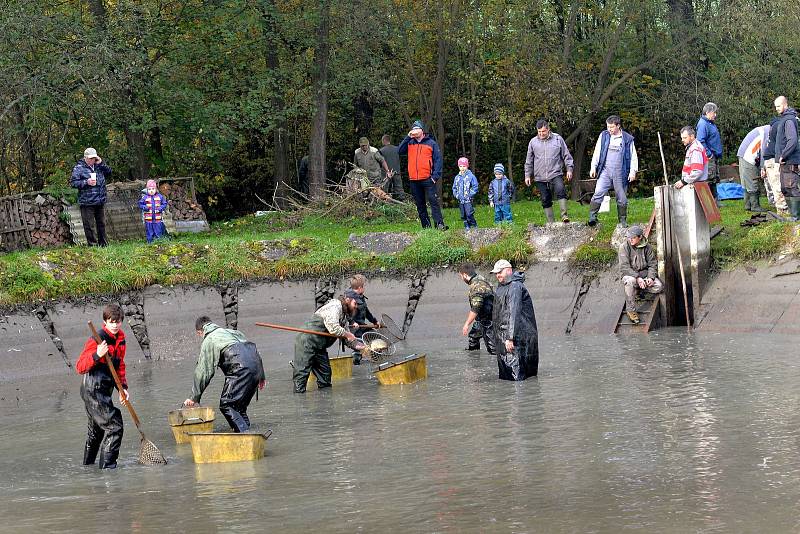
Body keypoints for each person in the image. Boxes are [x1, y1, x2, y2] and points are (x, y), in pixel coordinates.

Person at [183, 317, 266, 433]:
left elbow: (204, 371)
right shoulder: (233, 332)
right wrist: (261, 375)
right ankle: (247, 434)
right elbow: (252, 351)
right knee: (239, 408)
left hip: (240, 367)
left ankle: (245, 438)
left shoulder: (209, 339)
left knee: (227, 404)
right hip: (255, 367)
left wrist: (194, 397)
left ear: (199, 332)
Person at [76, 304, 130, 469]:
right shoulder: (97, 339)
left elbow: (119, 365)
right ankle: (108, 471)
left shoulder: (121, 339)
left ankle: (88, 467)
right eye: (111, 321)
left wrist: (123, 388)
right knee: (115, 426)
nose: (115, 325)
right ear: (105, 322)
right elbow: (80, 367)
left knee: (97, 431)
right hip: (92, 389)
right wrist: (97, 354)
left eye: (118, 321)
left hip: (104, 389)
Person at [293, 295, 364, 393]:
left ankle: (325, 405)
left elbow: (347, 339)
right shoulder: (335, 306)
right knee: (301, 376)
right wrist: (348, 334)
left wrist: (363, 347)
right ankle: (299, 402)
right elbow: (333, 327)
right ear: (347, 300)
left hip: (319, 346)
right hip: (306, 341)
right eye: (355, 304)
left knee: (325, 376)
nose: (356, 307)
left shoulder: (344, 316)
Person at [490, 259, 539, 380]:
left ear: (508, 270)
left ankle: (522, 399)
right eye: (496, 273)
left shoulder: (515, 286)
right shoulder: (502, 287)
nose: (497, 275)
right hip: (504, 338)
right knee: (508, 377)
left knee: (516, 377)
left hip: (517, 338)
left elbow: (513, 312)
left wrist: (510, 337)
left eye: (499, 272)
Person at [587, 115, 639, 227]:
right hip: (605, 171)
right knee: (598, 192)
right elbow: (597, 151)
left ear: (618, 126)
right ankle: (592, 217)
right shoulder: (604, 136)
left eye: (611, 127)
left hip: (620, 172)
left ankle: (622, 221)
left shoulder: (627, 139)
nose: (609, 129)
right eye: (608, 126)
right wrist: (593, 167)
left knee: (621, 197)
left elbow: (633, 156)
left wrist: (633, 171)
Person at [398, 120, 447, 230]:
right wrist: (407, 137)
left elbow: (438, 161)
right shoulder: (410, 143)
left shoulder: (431, 143)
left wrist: (435, 177)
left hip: (428, 179)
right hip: (414, 180)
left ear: (422, 130)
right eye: (413, 129)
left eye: (416, 129)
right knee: (420, 205)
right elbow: (399, 151)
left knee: (433, 201)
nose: (414, 131)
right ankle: (426, 227)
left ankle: (439, 224)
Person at [524, 119, 574, 223]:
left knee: (561, 190)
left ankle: (564, 216)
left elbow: (566, 155)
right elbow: (529, 160)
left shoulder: (557, 139)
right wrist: (527, 175)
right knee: (545, 198)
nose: (541, 134)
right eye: (539, 132)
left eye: (543, 131)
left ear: (548, 130)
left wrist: (569, 169)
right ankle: (551, 222)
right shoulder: (533, 142)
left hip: (555, 172)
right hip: (540, 176)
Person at [618, 225, 663, 325]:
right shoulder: (624, 247)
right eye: (629, 237)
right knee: (630, 281)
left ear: (640, 237)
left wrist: (651, 278)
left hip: (644, 274)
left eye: (633, 238)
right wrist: (637, 278)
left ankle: (638, 290)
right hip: (630, 275)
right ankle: (631, 310)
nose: (630, 240)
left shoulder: (648, 247)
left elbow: (652, 264)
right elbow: (624, 267)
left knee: (658, 286)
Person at [70, 147, 111, 246]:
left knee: (101, 224)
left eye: (94, 158)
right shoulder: (78, 168)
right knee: (89, 225)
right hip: (87, 201)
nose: (93, 160)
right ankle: (92, 245)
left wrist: (101, 163)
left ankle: (104, 245)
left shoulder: (98, 166)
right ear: (85, 158)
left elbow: (109, 172)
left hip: (100, 199)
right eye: (91, 158)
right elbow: (73, 183)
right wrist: (86, 182)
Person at [772, 96, 800, 220]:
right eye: (776, 106)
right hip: (784, 163)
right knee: (785, 188)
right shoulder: (783, 119)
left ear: (785, 104)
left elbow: (792, 140)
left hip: (790, 161)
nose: (777, 109)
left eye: (778, 106)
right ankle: (792, 215)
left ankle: (796, 216)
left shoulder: (789, 120)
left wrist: (783, 154)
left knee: (791, 187)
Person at [458, 262, 495, 354]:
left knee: (493, 348)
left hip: (489, 320)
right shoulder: (480, 278)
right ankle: (474, 359)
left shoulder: (477, 286)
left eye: (461, 276)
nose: (461, 279)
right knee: (473, 336)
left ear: (465, 275)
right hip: (482, 318)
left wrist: (467, 324)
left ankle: (496, 364)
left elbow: (476, 307)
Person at [344, 274, 380, 365]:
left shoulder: (360, 296)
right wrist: (352, 322)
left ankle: (374, 356)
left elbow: (366, 311)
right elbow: (346, 312)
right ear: (360, 287)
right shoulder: (350, 298)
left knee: (375, 336)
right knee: (358, 345)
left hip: (362, 325)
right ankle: (356, 361)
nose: (364, 288)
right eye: (363, 286)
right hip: (354, 327)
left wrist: (374, 321)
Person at [761, 116, 790, 216]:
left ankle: (782, 212)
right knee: (778, 186)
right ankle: (783, 214)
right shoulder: (779, 126)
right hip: (773, 160)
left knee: (777, 187)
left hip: (769, 159)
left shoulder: (774, 126)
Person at [696, 102, 723, 206]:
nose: (715, 115)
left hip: (714, 156)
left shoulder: (710, 123)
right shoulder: (703, 124)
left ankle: (715, 201)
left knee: (714, 178)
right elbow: (700, 140)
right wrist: (708, 153)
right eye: (714, 112)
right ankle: (709, 202)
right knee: (709, 178)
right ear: (707, 112)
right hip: (709, 156)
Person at [736, 125, 769, 212]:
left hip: (742, 153)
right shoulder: (767, 132)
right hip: (749, 156)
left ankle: (747, 205)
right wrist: (763, 167)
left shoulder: (764, 129)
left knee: (746, 182)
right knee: (752, 181)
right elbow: (764, 152)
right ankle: (755, 206)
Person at [138, 179, 168, 243]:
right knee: (149, 232)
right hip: (148, 219)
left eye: (153, 189)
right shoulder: (145, 197)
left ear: (156, 189)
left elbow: (164, 203)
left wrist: (160, 208)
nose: (151, 191)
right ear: (147, 190)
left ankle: (159, 242)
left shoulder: (160, 196)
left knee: (158, 231)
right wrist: (145, 207)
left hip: (158, 219)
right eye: (149, 189)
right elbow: (140, 204)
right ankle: (150, 242)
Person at [452, 157, 479, 229]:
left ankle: (474, 224)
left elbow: (475, 187)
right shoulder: (457, 177)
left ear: (467, 166)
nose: (462, 168)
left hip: (468, 199)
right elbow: (454, 188)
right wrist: (457, 195)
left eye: (464, 166)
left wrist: (470, 195)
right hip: (460, 199)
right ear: (458, 166)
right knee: (463, 215)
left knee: (469, 213)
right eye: (460, 166)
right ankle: (466, 226)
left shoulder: (471, 176)